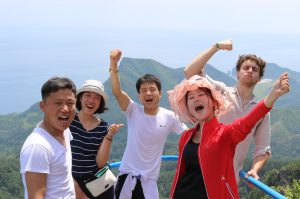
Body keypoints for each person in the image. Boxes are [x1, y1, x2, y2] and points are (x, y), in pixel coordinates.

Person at [168, 73, 289, 199]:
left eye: (201, 94)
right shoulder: (186, 137)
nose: (196, 99)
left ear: (214, 102)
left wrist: (273, 95)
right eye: (191, 97)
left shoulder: (224, 134)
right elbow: (180, 172)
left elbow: (246, 123)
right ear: (188, 108)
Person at [184, 40, 272, 182]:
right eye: (246, 67)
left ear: (259, 78)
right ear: (237, 73)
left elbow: (263, 149)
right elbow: (190, 72)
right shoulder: (221, 92)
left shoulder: (261, 112)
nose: (250, 71)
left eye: (255, 69)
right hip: (200, 174)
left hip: (228, 179)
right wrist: (216, 46)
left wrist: (254, 170)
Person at [109, 49, 187, 199]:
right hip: (127, 178)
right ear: (139, 96)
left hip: (149, 182)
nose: (148, 93)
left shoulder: (169, 116)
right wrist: (113, 66)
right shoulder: (133, 110)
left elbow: (188, 135)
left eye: (152, 89)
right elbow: (117, 92)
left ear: (160, 93)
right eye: (144, 90)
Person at [20, 76, 77, 199]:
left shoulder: (65, 131)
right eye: (58, 103)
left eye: (70, 103)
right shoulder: (38, 146)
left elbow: (63, 176)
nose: (65, 109)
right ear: (43, 106)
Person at [70, 79, 124, 199]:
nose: (91, 100)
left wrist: (109, 136)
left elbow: (100, 163)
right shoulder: (68, 121)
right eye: (87, 95)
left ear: (100, 103)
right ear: (80, 98)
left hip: (98, 185)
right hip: (72, 184)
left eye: (97, 97)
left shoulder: (103, 127)